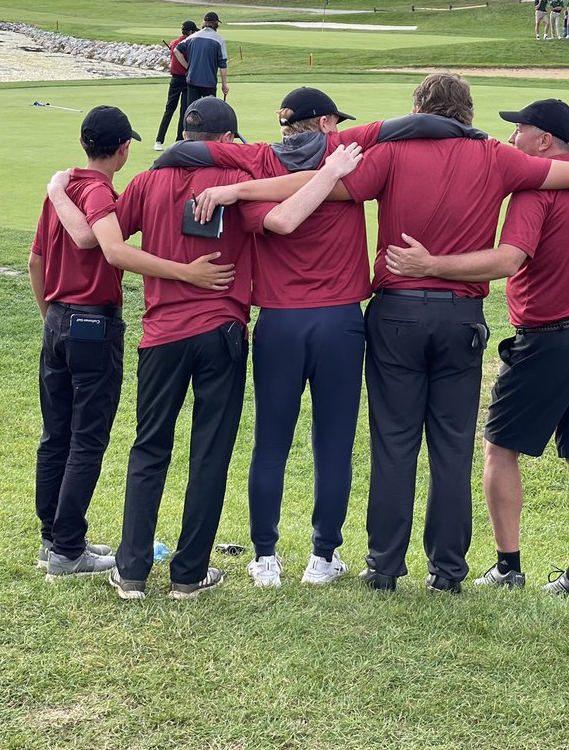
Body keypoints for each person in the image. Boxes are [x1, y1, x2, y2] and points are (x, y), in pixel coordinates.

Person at [214, 74, 569, 593]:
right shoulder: (495, 157)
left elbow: (317, 186)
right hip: (460, 317)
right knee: (453, 447)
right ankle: (447, 572)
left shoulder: (393, 153)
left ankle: (385, 567)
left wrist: (239, 188)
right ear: (466, 112)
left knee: (393, 443)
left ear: (419, 109)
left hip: (395, 314)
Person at [158, 88, 485, 589]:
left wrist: (178, 163)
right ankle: (322, 557)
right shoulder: (345, 154)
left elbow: (191, 151)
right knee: (332, 444)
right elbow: (410, 125)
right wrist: (469, 132)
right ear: (327, 121)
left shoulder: (257, 164)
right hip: (339, 322)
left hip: (280, 323)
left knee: (271, 442)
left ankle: (265, 558)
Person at [47, 98, 362, 600]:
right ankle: (189, 574)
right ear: (228, 138)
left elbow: (94, 239)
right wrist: (331, 168)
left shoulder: (149, 179)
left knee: (149, 449)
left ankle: (131, 572)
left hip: (161, 335)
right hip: (222, 332)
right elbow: (290, 192)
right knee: (209, 453)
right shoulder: (243, 168)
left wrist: (58, 194)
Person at [384, 98, 569, 600]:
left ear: (544, 141)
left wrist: (430, 265)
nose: (512, 138)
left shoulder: (535, 189)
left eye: (519, 130)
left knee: (499, 447)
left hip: (549, 340)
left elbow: (507, 261)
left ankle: (508, 566)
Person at [30, 105, 229, 582]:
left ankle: (54, 538)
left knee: (56, 435)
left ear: (83, 144)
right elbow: (104, 246)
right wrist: (187, 273)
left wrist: (51, 319)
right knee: (86, 438)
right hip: (91, 323)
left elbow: (35, 262)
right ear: (123, 150)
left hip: (56, 320)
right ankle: (67, 548)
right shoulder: (97, 192)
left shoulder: (65, 188)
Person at [154, 20, 196, 152]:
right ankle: (179, 140)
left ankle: (159, 140)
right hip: (186, 79)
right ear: (190, 32)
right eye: (193, 31)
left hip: (175, 80)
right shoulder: (190, 43)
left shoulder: (174, 43)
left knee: (169, 109)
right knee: (183, 111)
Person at [175, 12, 229, 105]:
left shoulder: (192, 37)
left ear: (204, 22)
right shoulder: (219, 40)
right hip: (209, 82)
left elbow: (176, 50)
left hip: (192, 80)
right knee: (209, 112)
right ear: (216, 24)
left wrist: (188, 67)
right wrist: (224, 85)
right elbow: (223, 65)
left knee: (192, 111)